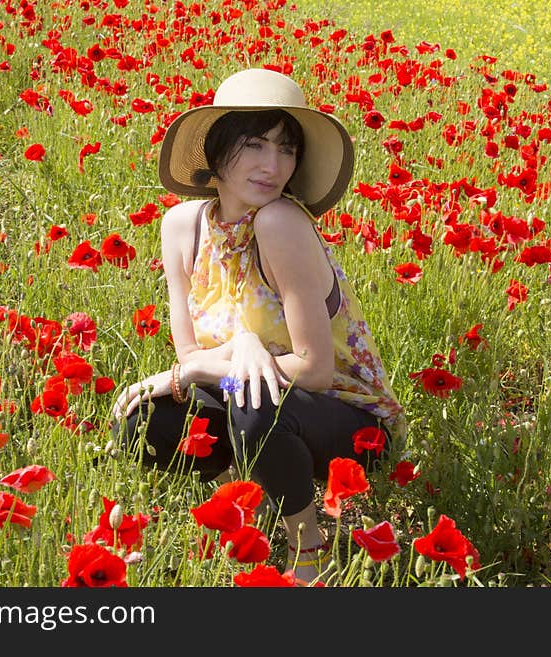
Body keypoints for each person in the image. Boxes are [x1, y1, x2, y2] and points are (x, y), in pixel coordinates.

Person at [111, 68, 407, 585]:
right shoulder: (182, 226)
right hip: (252, 397)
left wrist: (229, 360)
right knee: (143, 421)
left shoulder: (280, 224)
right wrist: (216, 359)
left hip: (348, 423)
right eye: (254, 144)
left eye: (287, 149)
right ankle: (246, 493)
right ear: (216, 149)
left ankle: (308, 546)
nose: (273, 165)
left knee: (253, 402)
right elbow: (190, 358)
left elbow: (313, 370)